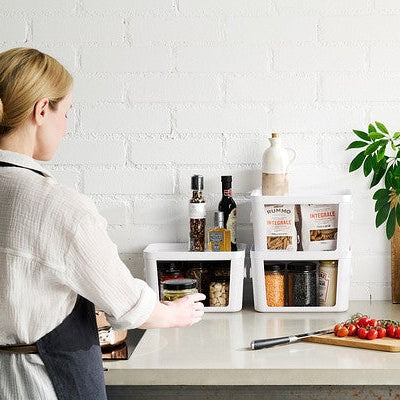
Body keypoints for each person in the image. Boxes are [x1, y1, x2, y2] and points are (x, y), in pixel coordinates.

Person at [0, 47, 205, 400]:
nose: (65, 128)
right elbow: (128, 305)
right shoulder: (56, 206)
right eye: (65, 113)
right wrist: (174, 313)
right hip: (41, 385)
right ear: (42, 110)